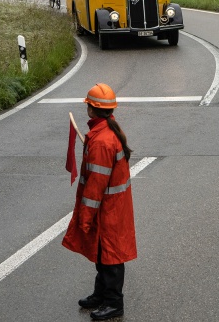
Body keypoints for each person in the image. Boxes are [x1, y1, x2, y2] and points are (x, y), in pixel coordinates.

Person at [62, 83, 137, 321]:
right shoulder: (104, 133)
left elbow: (95, 187)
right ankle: (102, 294)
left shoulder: (103, 141)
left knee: (111, 256)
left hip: (108, 210)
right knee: (102, 252)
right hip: (112, 207)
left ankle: (114, 303)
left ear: (92, 110)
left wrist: (85, 218)